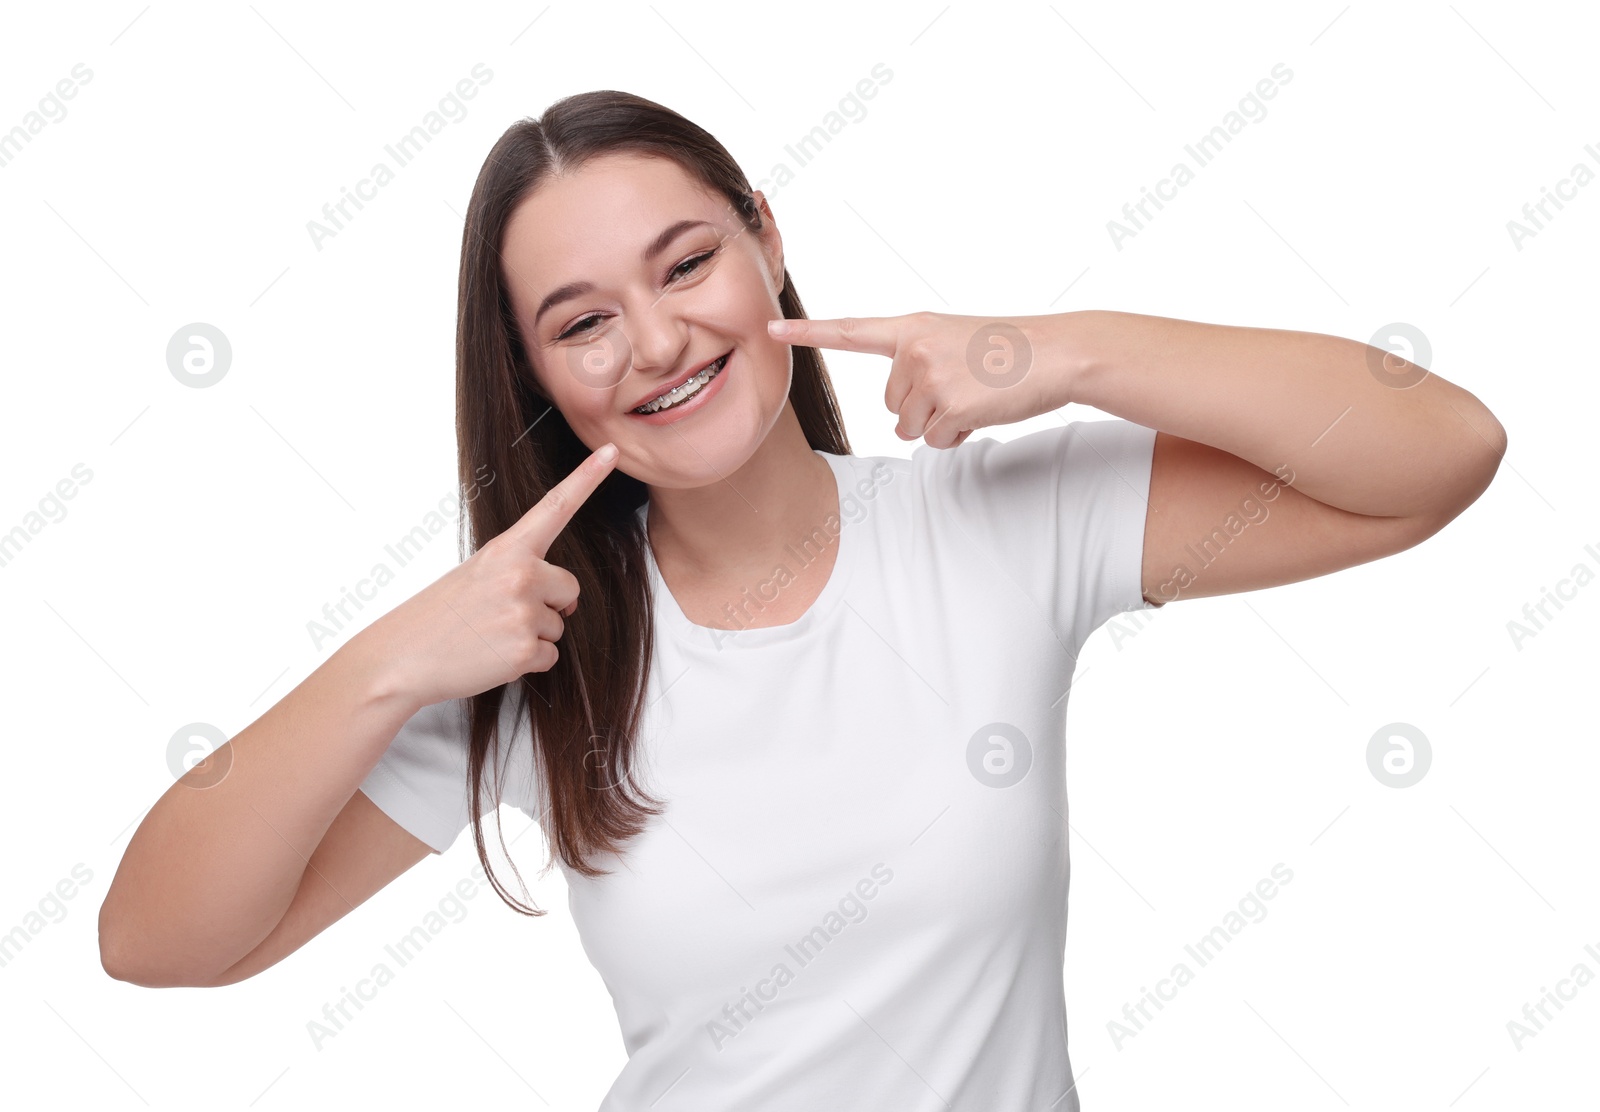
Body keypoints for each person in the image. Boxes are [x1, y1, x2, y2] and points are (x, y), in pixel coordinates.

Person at [98, 90, 1507, 1109]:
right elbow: (158, 944)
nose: (656, 341)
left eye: (687, 262)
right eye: (583, 322)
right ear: (536, 375)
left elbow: (1435, 456)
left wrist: (1064, 353)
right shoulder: (533, 653)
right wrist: (388, 664)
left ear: (766, 236)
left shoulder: (996, 526)